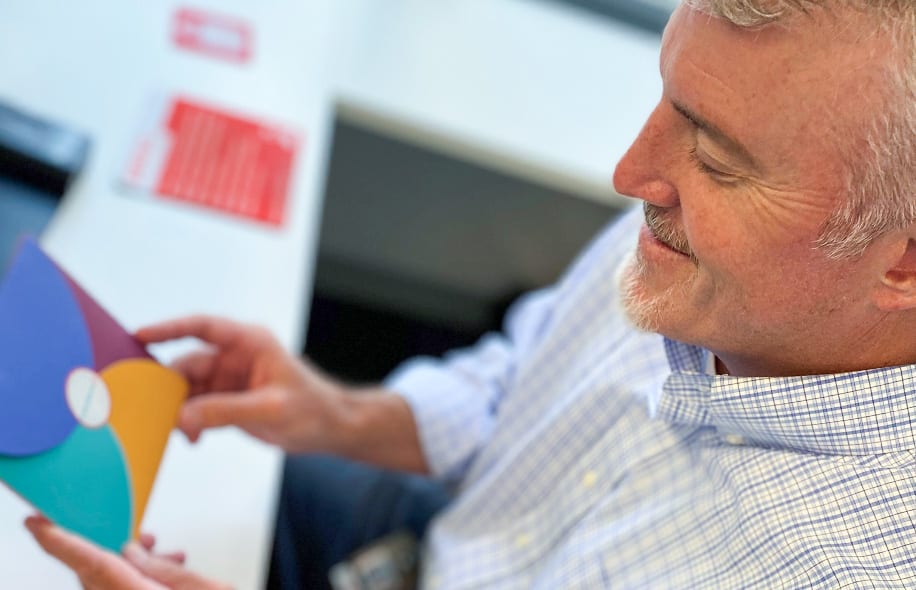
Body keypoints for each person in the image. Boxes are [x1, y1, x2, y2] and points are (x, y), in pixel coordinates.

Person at [27, 0, 916, 587]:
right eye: (668, 101)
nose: (630, 172)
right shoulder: (695, 211)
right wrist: (342, 416)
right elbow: (518, 375)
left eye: (718, 159)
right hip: (446, 538)